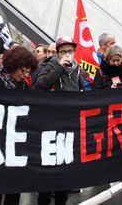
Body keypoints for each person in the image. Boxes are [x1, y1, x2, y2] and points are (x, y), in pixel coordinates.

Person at [33, 36, 87, 205]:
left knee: (65, 167)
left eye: (70, 51)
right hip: (50, 123)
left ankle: (61, 200)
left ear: (74, 52)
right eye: (63, 52)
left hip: (69, 124)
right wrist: (59, 67)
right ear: (57, 53)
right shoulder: (49, 65)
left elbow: (83, 90)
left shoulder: (78, 70)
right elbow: (40, 85)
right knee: (48, 168)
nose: (67, 54)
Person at [0, 46, 38, 205]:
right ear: (13, 66)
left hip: (16, 143)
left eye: (28, 71)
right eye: (22, 71)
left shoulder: (24, 85)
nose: (25, 75)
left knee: (14, 187)